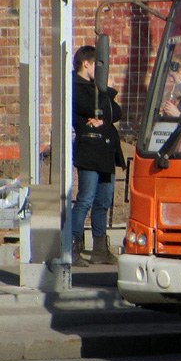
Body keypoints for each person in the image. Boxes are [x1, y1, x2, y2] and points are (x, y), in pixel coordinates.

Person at [71, 45, 125, 267]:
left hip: (105, 151)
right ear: (87, 64)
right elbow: (89, 107)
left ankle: (100, 249)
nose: (100, 71)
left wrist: (103, 117)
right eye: (97, 65)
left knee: (103, 201)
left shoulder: (96, 89)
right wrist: (105, 101)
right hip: (90, 150)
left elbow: (116, 112)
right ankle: (73, 247)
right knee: (86, 198)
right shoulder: (76, 87)